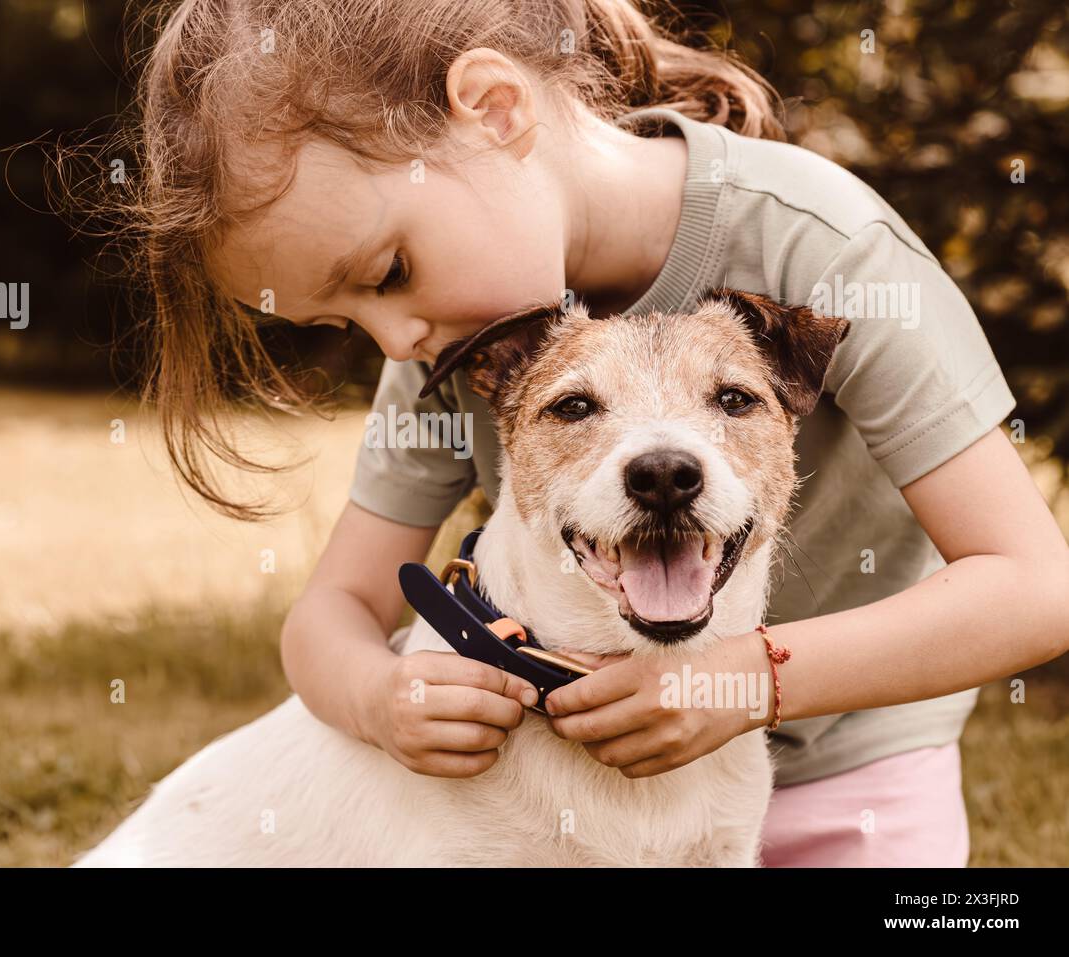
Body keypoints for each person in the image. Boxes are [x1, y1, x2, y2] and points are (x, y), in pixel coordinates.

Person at [108, 0, 1069, 865]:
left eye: (388, 269)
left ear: (494, 110)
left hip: (851, 755)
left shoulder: (827, 246)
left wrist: (743, 685)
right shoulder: (453, 336)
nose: (393, 339)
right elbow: (333, 612)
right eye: (342, 320)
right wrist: (382, 700)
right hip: (557, 777)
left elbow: (1037, 587)